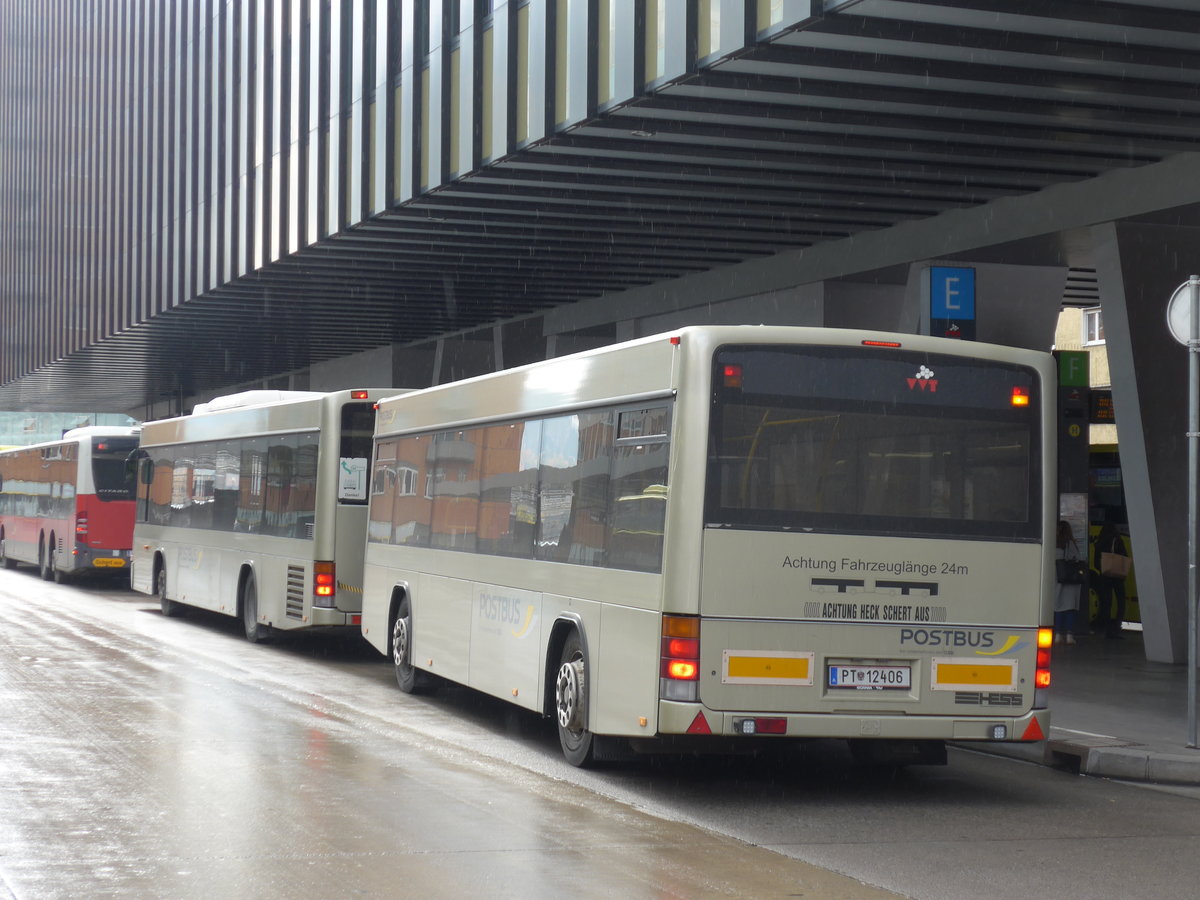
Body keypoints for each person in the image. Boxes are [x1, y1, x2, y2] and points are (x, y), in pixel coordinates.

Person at [1093, 521, 1129, 640]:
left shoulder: (1099, 542)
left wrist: (1104, 568)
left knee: (1106, 603)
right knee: (1120, 602)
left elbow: (1096, 563)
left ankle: (1107, 629)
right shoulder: (1117, 539)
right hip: (1117, 577)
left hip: (1105, 576)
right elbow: (1124, 556)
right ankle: (1116, 628)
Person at [1054, 520, 1082, 645]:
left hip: (1057, 580)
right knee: (1070, 608)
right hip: (1071, 581)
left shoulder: (1053, 544)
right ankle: (1070, 635)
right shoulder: (1070, 544)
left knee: (1058, 607)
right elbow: (1077, 559)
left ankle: (1058, 635)